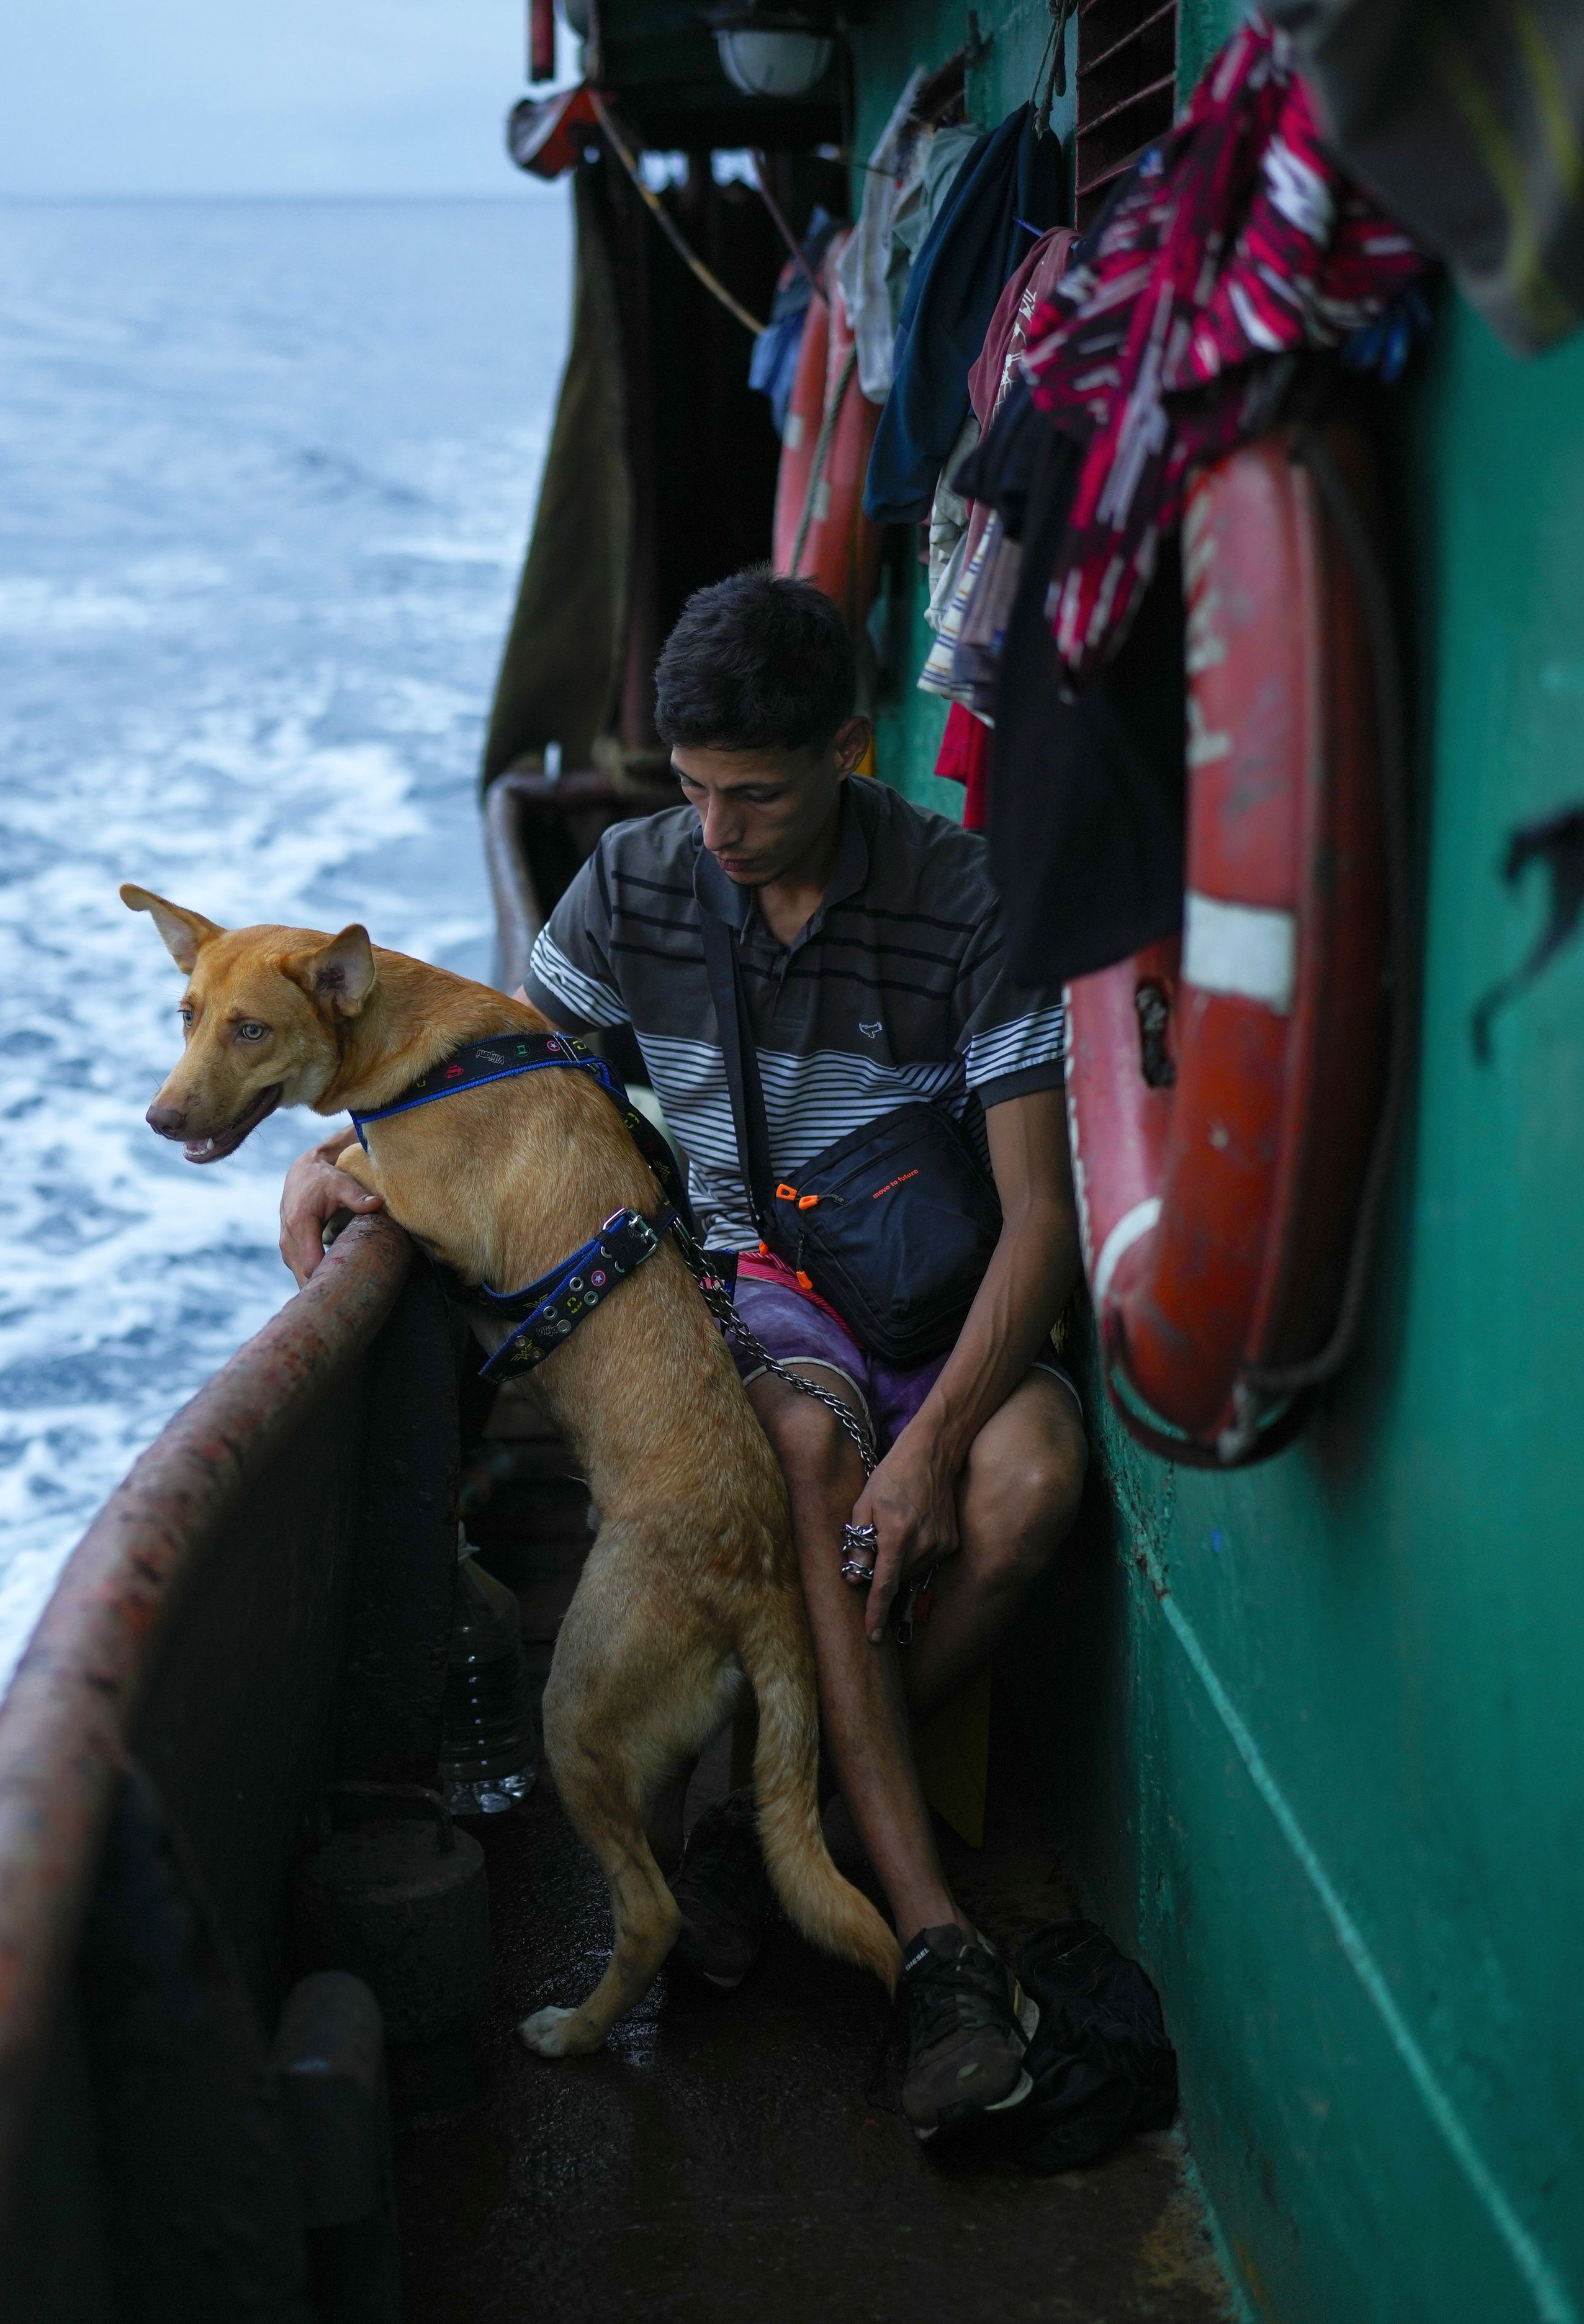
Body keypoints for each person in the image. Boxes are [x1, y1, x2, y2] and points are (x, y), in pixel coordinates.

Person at [276, 569, 1086, 2134]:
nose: (716, 830)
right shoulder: (635, 883)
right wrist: (333, 1156)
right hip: (766, 1293)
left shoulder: (967, 900)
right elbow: (496, 1075)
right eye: (694, 789)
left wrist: (932, 1455)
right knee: (805, 1452)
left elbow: (1042, 1220)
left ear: (850, 750)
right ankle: (935, 1944)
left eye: (755, 796)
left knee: (1031, 1483)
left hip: (943, 1297)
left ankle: (754, 1833)